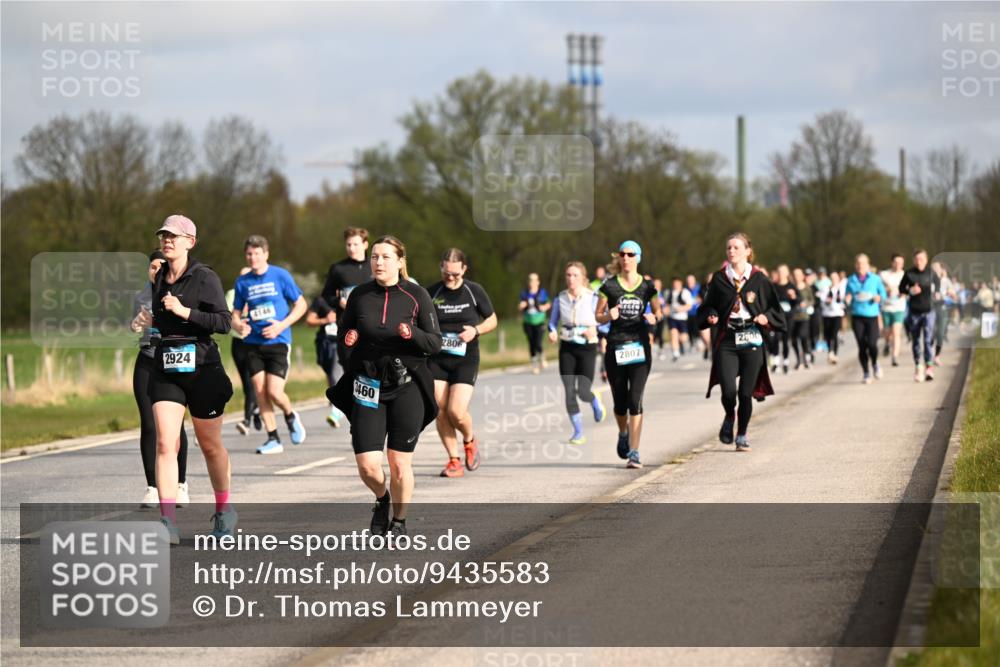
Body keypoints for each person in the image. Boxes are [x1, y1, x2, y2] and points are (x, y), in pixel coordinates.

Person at [327, 236, 442, 537]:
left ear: (400, 261)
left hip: (407, 386)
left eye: (386, 257)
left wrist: (411, 333)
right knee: (368, 465)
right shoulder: (360, 296)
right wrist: (349, 338)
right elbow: (345, 331)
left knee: (400, 465)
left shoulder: (416, 295)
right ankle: (382, 499)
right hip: (368, 385)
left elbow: (434, 342)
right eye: (374, 257)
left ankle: (400, 521)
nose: (378, 262)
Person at [145, 215, 235, 544]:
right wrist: (149, 318)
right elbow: (159, 317)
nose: (167, 241)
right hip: (167, 367)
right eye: (163, 236)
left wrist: (186, 313)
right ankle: (167, 521)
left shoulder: (204, 277)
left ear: (190, 242)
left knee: (210, 447)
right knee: (167, 443)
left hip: (202, 368)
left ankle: (224, 509)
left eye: (174, 236)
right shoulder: (159, 277)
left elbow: (224, 323)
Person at [697, 233, 785, 451]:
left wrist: (766, 318)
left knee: (745, 393)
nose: (731, 251)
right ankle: (729, 415)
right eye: (728, 248)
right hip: (728, 339)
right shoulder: (719, 279)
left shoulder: (759, 279)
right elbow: (707, 306)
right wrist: (711, 316)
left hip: (752, 337)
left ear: (747, 251)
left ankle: (742, 434)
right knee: (728, 391)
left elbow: (775, 310)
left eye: (736, 247)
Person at [232, 235, 308, 454]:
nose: (253, 258)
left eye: (257, 253)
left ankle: (290, 415)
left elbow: (301, 305)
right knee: (260, 391)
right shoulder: (242, 282)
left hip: (278, 342)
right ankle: (273, 438)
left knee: (274, 392)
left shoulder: (280, 275)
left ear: (266, 254)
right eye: (249, 254)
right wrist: (238, 326)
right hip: (253, 343)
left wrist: (281, 325)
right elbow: (235, 314)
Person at [426, 248, 497, 478]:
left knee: (456, 411)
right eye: (447, 273)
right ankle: (453, 460)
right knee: (440, 410)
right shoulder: (432, 292)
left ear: (464, 269)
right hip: (438, 359)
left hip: (465, 358)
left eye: (455, 274)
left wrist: (475, 331)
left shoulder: (473, 291)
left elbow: (492, 320)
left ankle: (469, 440)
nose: (451, 278)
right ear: (441, 268)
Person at [595, 241, 662, 469]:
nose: (625, 258)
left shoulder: (648, 287)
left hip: (640, 348)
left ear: (638, 258)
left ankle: (634, 451)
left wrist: (655, 317)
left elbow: (659, 310)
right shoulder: (609, 286)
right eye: (622, 254)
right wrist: (608, 315)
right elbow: (597, 315)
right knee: (620, 403)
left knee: (635, 400)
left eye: (630, 254)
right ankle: (623, 432)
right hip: (615, 348)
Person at [131, 250, 190, 508]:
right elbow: (136, 324)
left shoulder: (181, 289)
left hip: (175, 362)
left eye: (161, 267)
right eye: (152, 267)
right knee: (149, 423)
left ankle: (180, 484)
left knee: (175, 427)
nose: (156, 271)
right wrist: (136, 324)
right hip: (147, 359)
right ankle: (152, 487)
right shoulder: (141, 296)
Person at [548, 261, 606, 445]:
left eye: (575, 275)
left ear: (582, 278)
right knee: (568, 390)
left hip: (587, 346)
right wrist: (552, 331)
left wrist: (594, 329)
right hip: (567, 347)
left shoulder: (592, 297)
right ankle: (578, 432)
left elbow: (605, 320)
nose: (571, 279)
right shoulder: (560, 298)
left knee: (583, 390)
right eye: (568, 275)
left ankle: (594, 399)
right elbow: (552, 321)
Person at [320, 227, 374, 422]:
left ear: (365, 244)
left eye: (356, 244)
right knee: (351, 372)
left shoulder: (374, 266)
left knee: (369, 373)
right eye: (348, 244)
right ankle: (354, 416)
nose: (352, 248)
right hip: (347, 330)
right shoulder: (338, 269)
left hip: (372, 330)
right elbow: (325, 295)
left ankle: (369, 415)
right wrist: (339, 302)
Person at [226, 266, 260, 435]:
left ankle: (246, 420)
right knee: (247, 383)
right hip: (238, 343)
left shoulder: (258, 291)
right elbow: (227, 314)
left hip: (255, 342)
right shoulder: (232, 293)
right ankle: (255, 409)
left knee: (252, 382)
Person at [899, 249, 941, 382]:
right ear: (913, 260)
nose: (919, 261)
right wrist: (910, 290)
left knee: (928, 339)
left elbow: (938, 283)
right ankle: (918, 367)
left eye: (921, 259)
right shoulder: (909, 273)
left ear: (926, 260)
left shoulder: (930, 272)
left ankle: (929, 367)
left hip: (929, 311)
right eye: (917, 259)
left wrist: (937, 292)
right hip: (914, 312)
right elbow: (901, 288)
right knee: (916, 340)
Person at [844, 253, 887, 384]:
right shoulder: (851, 280)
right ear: (855, 265)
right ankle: (866, 372)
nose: (860, 266)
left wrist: (879, 298)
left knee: (872, 345)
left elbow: (883, 294)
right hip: (857, 317)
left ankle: (875, 363)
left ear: (868, 265)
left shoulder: (875, 279)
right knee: (862, 346)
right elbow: (847, 296)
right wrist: (848, 299)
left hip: (872, 316)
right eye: (858, 263)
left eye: (863, 263)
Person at [305, 293, 342, 427]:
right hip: (325, 342)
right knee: (330, 373)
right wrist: (325, 320)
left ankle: (337, 410)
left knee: (335, 373)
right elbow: (309, 320)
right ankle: (337, 400)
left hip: (343, 342)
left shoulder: (352, 297)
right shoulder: (321, 300)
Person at [519, 273, 551, 374]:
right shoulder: (524, 293)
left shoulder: (542, 292)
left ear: (538, 282)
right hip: (528, 321)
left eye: (534, 280)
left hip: (540, 321)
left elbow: (548, 303)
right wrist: (521, 305)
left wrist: (544, 307)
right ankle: (534, 364)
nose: (532, 283)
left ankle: (541, 356)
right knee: (531, 343)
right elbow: (520, 306)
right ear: (528, 282)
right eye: (530, 280)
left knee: (538, 342)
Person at [880, 253, 907, 367]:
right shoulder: (884, 275)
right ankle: (886, 342)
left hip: (899, 308)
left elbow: (909, 289)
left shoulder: (905, 275)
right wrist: (886, 289)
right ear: (892, 263)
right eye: (896, 262)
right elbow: (878, 287)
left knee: (896, 332)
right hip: (886, 307)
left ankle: (894, 356)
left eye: (900, 263)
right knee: (886, 332)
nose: (898, 265)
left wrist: (904, 293)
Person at [819, 269, 846, 364]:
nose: (834, 280)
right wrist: (827, 302)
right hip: (827, 314)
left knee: (834, 334)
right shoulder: (826, 289)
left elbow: (844, 301)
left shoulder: (842, 289)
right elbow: (822, 301)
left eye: (835, 278)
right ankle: (830, 352)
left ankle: (833, 353)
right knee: (827, 335)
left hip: (837, 314)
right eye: (832, 278)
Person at [772, 265, 796, 374]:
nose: (781, 274)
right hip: (777, 316)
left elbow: (797, 301)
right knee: (776, 338)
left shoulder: (791, 286)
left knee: (786, 339)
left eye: (783, 272)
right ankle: (776, 362)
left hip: (788, 316)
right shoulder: (774, 286)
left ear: (787, 273)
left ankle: (786, 362)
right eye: (779, 272)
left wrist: (793, 297)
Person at [665, 278, 693, 362]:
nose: (675, 285)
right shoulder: (670, 292)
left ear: (681, 284)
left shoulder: (685, 292)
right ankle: (675, 353)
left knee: (683, 338)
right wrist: (665, 310)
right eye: (674, 284)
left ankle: (681, 344)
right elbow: (667, 304)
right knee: (673, 334)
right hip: (672, 317)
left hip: (682, 318)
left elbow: (689, 305)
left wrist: (681, 309)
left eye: (677, 283)